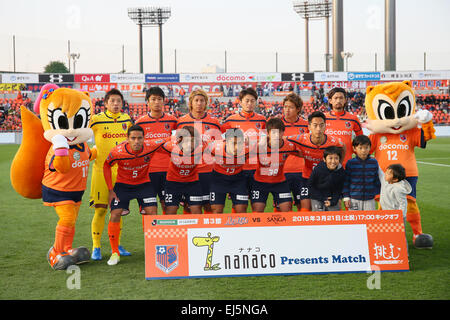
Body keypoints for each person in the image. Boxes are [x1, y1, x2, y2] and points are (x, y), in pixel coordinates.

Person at [103, 125, 166, 266]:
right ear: (127, 139)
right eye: (133, 138)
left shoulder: (150, 146)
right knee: (115, 213)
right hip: (123, 186)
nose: (136, 141)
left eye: (139, 138)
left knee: (152, 212)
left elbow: (167, 141)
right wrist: (110, 189)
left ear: (144, 139)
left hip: (144, 185)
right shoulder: (117, 151)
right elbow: (106, 165)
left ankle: (152, 248)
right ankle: (115, 253)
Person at [89, 88, 133, 261]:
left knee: (118, 210)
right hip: (101, 170)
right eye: (112, 101)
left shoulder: (126, 119)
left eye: (119, 101)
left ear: (122, 103)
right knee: (100, 210)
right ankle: (96, 246)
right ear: (105, 103)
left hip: (121, 172)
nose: (116, 104)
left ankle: (117, 244)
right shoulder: (96, 120)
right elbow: (82, 133)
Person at [176, 89, 222, 214]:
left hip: (209, 171)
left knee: (209, 206)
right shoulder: (181, 122)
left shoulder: (214, 122)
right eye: (196, 100)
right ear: (191, 103)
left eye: (202, 100)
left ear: (206, 103)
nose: (199, 103)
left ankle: (210, 232)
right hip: (189, 171)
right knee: (189, 207)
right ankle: (189, 233)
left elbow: (219, 147)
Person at [288, 111, 345, 211]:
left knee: (335, 209)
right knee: (305, 210)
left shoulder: (333, 141)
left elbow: (343, 146)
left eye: (321, 125)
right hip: (307, 178)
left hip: (327, 179)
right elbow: (284, 139)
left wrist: (338, 164)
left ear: (325, 126)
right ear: (309, 127)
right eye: (315, 125)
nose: (318, 129)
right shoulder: (302, 138)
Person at [221, 87, 266, 211]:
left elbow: (264, 142)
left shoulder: (262, 120)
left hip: (257, 170)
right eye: (247, 101)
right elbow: (222, 141)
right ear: (240, 102)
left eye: (252, 101)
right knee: (239, 207)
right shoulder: (230, 121)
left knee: (258, 208)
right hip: (238, 170)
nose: (250, 104)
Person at [135, 87, 177, 214]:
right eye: (153, 99)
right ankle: (148, 234)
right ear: (147, 102)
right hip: (148, 172)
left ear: (164, 101)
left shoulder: (173, 121)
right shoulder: (140, 123)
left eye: (159, 99)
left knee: (169, 209)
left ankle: (169, 234)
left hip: (169, 171)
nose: (157, 102)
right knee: (149, 210)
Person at [251, 117, 300, 212]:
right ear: (268, 133)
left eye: (279, 132)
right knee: (257, 212)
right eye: (273, 132)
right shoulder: (259, 146)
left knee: (287, 211)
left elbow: (303, 153)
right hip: (260, 182)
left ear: (283, 133)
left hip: (280, 182)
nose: (276, 135)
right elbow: (242, 155)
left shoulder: (289, 146)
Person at [160, 125, 206, 215]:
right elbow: (156, 144)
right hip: (173, 183)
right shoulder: (171, 147)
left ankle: (195, 229)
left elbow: (217, 144)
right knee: (170, 210)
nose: (189, 144)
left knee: (196, 210)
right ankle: (171, 229)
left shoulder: (202, 147)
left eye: (192, 141)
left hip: (193, 183)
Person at [208, 128, 250, 213]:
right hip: (218, 180)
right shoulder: (215, 148)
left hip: (238, 180)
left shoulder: (248, 149)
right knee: (216, 210)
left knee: (241, 210)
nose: (236, 147)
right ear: (225, 141)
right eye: (233, 143)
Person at [281, 93, 308, 211]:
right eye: (285, 106)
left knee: (303, 207)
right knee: (283, 208)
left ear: (298, 109)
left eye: (290, 107)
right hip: (282, 172)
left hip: (301, 172)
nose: (287, 110)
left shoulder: (306, 125)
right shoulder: (277, 124)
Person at [324, 87, 363, 166]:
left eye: (341, 98)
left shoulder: (353, 118)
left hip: (347, 163)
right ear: (330, 100)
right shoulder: (323, 118)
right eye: (335, 98)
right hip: (327, 163)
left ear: (345, 100)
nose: (338, 101)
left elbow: (360, 139)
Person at [343, 135, 381, 211]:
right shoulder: (350, 163)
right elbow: (346, 181)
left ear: (370, 148)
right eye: (360, 148)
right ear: (354, 148)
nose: (363, 150)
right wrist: (346, 197)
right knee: (354, 221)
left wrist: (378, 194)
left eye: (366, 148)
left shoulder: (374, 162)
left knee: (369, 220)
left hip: (370, 199)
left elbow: (377, 180)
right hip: (354, 199)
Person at [308, 146, 346, 211]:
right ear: (324, 159)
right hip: (318, 197)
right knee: (318, 217)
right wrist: (322, 198)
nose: (333, 161)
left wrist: (333, 201)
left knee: (333, 216)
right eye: (330, 158)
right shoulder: (318, 169)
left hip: (332, 197)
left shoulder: (341, 171)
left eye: (336, 158)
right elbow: (310, 186)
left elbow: (339, 189)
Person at [378, 164, 412, 230]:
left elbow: (403, 204)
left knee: (399, 236)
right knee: (388, 234)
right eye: (386, 172)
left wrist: (399, 217)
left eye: (388, 174)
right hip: (387, 214)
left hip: (397, 217)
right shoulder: (385, 180)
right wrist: (373, 161)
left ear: (395, 179)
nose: (385, 174)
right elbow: (379, 171)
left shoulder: (398, 189)